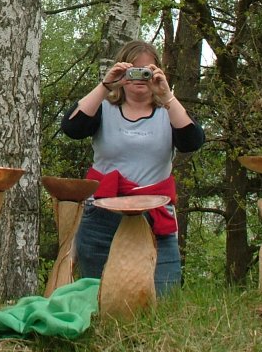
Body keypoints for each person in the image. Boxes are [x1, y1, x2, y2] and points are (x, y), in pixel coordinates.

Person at [60, 40, 204, 294]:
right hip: (102, 215)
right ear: (121, 71)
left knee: (164, 296)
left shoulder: (169, 112)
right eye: (133, 69)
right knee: (97, 296)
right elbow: (72, 128)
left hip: (155, 215)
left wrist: (167, 96)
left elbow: (192, 141)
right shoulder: (104, 109)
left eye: (147, 70)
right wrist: (106, 86)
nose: (140, 77)